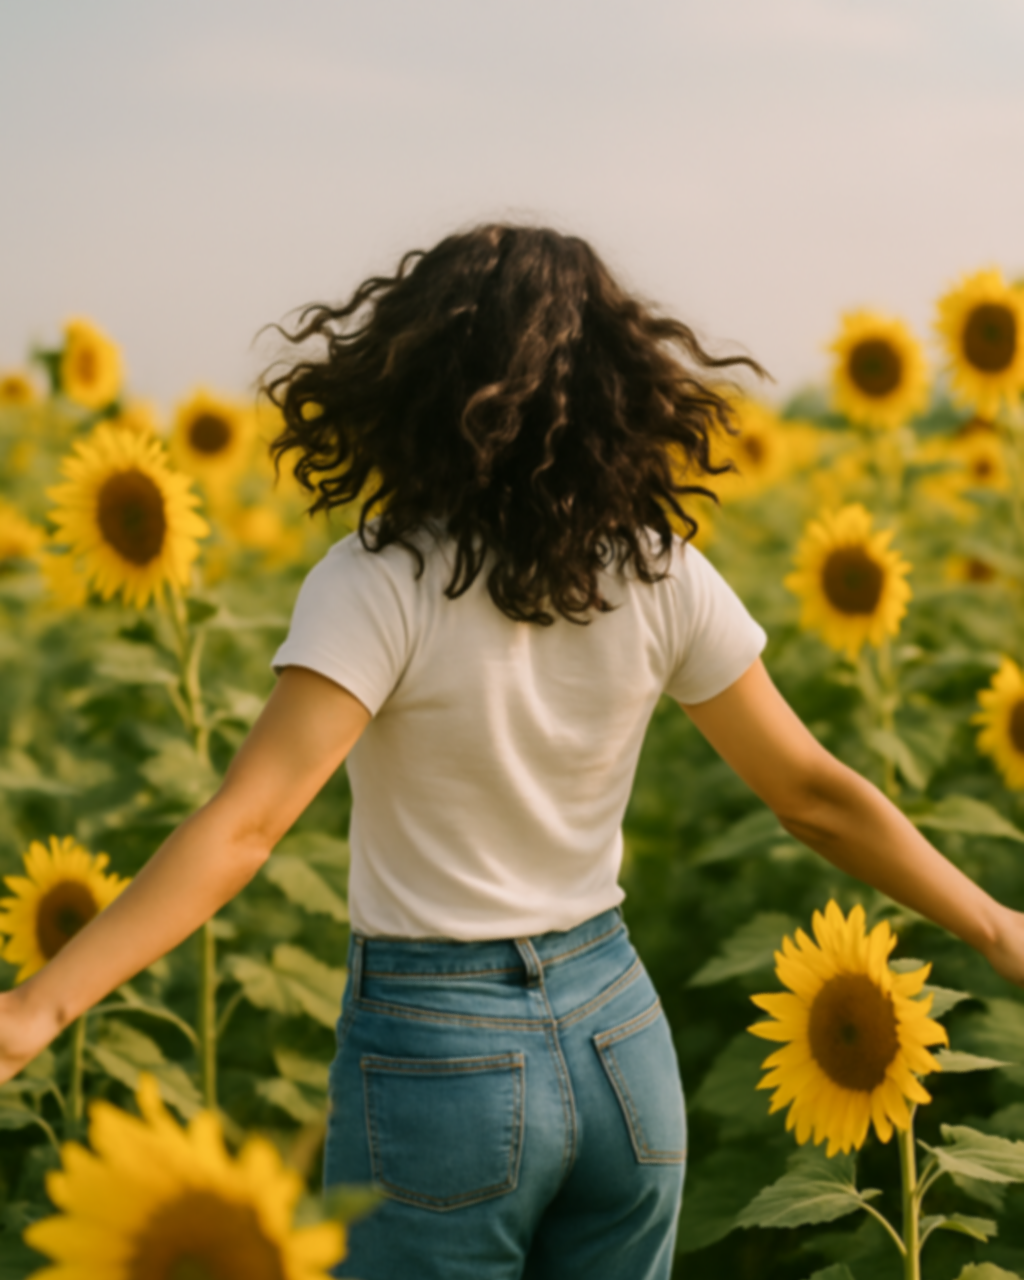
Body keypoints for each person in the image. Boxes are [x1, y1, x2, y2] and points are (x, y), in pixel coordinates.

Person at [1, 223, 1023, 1280]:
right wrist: (995, 923)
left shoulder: (378, 582)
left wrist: (35, 1008)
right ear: (616, 387)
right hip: (622, 1044)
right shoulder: (658, 570)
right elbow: (811, 793)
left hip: (438, 1055)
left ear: (414, 374)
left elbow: (247, 825)